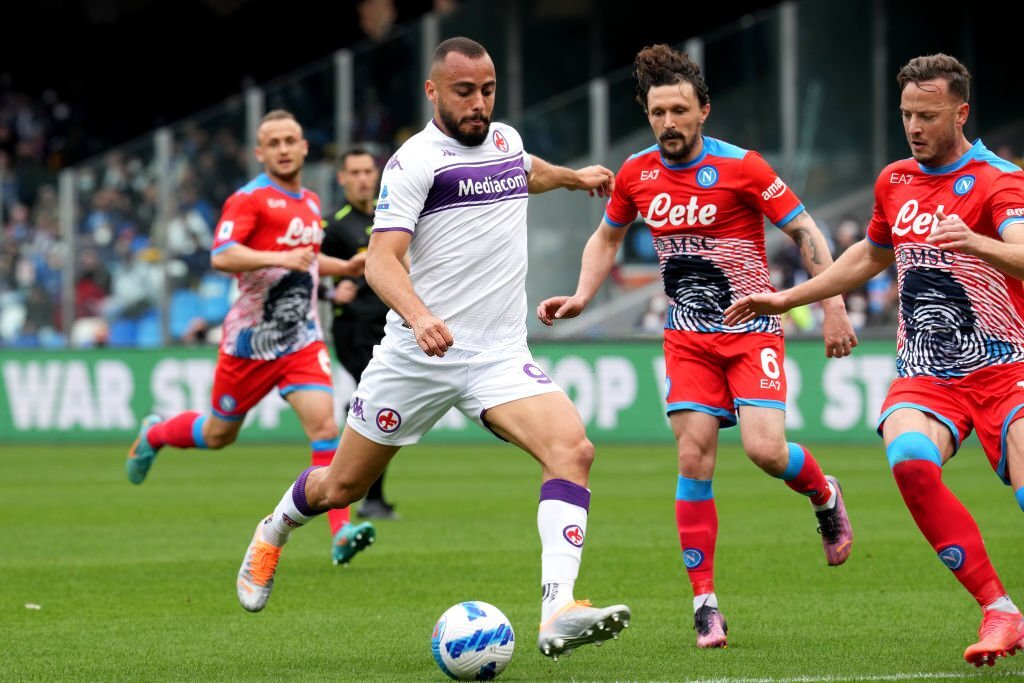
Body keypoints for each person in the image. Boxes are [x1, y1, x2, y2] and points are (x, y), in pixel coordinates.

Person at [235, 37, 631, 661]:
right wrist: (418, 317)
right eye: (464, 92)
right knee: (341, 488)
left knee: (573, 449)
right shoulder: (413, 162)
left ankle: (558, 607)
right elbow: (382, 262)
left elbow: (526, 171)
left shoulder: (503, 140)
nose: (479, 104)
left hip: (498, 355)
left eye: (488, 90)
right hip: (417, 357)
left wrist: (573, 177)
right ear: (433, 91)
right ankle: (273, 530)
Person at [536, 44, 855, 650]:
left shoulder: (746, 167)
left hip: (751, 330)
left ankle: (823, 492)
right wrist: (582, 295)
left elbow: (805, 229)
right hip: (686, 338)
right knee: (693, 459)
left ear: (703, 110)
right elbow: (607, 239)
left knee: (766, 451)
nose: (668, 123)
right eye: (658, 112)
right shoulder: (635, 173)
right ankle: (705, 604)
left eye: (679, 110)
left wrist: (832, 304)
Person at [723, 53, 1024, 668]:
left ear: (961, 113)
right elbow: (871, 253)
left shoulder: (999, 180)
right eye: (907, 114)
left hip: (1007, 367)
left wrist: (975, 242)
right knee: (910, 461)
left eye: (928, 115)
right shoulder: (895, 181)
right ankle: (999, 610)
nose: (914, 127)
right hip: (927, 374)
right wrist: (789, 296)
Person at [126, 110, 377, 567]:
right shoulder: (249, 199)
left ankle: (341, 532)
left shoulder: (310, 202)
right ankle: (156, 434)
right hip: (250, 344)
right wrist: (283, 255)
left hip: (301, 339)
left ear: (304, 147)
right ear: (260, 153)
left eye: (290, 140)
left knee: (325, 427)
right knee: (219, 434)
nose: (283, 149)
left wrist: (343, 268)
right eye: (273, 143)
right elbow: (222, 255)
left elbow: (309, 260)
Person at [320, 147, 398, 520]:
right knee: (377, 399)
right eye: (355, 172)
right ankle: (370, 497)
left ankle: (371, 496)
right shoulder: (335, 224)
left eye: (369, 171)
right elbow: (305, 265)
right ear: (342, 178)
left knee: (382, 401)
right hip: (353, 328)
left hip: (388, 325)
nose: (364, 178)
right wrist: (332, 291)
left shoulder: (388, 217)